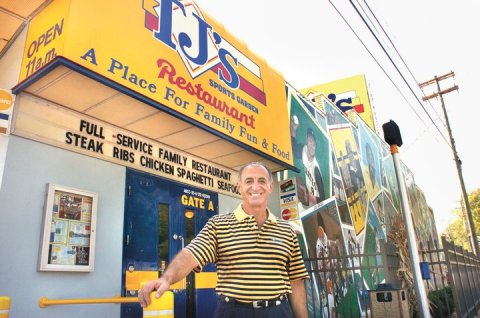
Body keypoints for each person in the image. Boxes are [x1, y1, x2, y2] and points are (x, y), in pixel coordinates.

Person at [138, 162, 309, 317]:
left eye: (262, 181)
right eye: (249, 181)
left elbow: (296, 282)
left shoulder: (286, 231)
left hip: (278, 312)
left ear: (270, 187)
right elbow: (191, 254)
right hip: (233, 312)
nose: (255, 186)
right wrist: (165, 279)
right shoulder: (218, 225)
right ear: (239, 187)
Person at [301, 128, 325, 206]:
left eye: (313, 142)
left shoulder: (316, 168)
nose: (312, 144)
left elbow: (322, 197)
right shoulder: (303, 151)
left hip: (314, 205)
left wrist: (312, 198)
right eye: (309, 141)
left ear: (315, 145)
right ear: (306, 144)